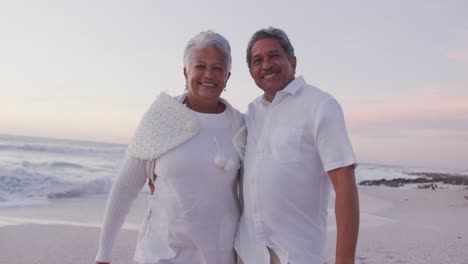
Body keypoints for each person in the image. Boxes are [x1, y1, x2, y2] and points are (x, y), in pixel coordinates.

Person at [95, 30, 246, 264]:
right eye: (200, 66)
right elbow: (125, 187)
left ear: (227, 76)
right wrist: (103, 253)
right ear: (186, 72)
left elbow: (256, 189)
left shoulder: (239, 124)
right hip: (159, 254)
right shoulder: (163, 114)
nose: (209, 74)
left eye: (217, 68)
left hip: (218, 256)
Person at [235, 27, 360, 264]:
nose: (266, 65)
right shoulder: (250, 114)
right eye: (257, 60)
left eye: (274, 56)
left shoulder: (320, 105)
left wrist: (345, 260)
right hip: (247, 252)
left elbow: (345, 186)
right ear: (251, 71)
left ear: (292, 61)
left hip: (296, 255)